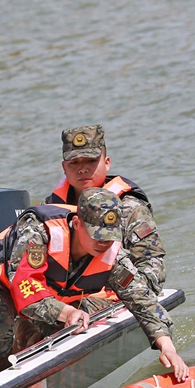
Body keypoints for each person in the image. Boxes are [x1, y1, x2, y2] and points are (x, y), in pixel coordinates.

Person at [0, 187, 189, 381]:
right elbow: (26, 287)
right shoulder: (39, 232)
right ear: (77, 223)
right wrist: (67, 313)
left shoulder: (111, 253)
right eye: (97, 235)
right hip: (2, 279)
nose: (104, 243)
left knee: (82, 321)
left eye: (110, 236)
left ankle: (31, 341)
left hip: (52, 292)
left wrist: (166, 346)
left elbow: (141, 298)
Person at [45, 124, 165, 296]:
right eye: (74, 163)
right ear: (64, 168)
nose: (83, 169)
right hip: (59, 299)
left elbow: (153, 276)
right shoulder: (50, 210)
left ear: (107, 163)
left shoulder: (131, 209)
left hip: (114, 296)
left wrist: (105, 295)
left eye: (91, 161)